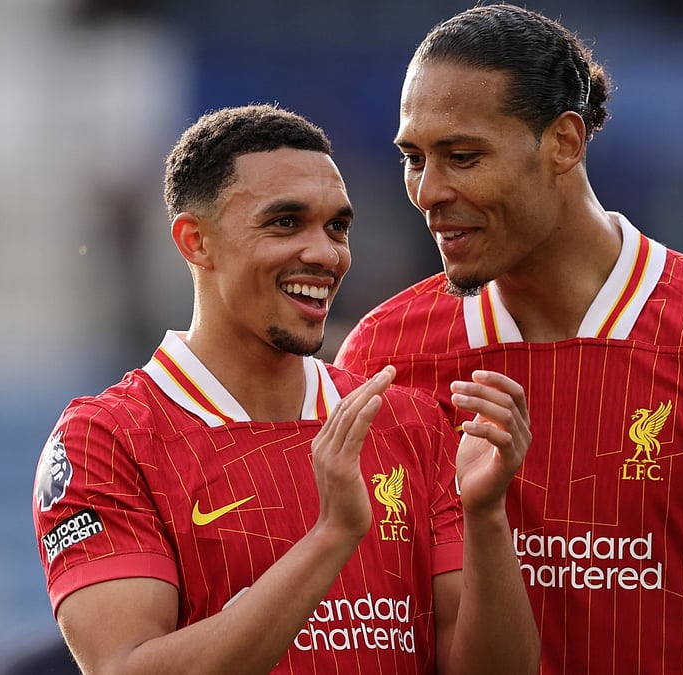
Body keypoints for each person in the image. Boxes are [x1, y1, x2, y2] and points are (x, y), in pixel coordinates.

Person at [334, 4, 683, 673]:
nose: (428, 191)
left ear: (564, 142)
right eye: (414, 158)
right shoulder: (382, 356)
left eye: (462, 157)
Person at [31, 104, 539, 675]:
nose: (325, 254)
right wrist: (331, 537)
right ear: (196, 241)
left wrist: (487, 516)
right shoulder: (105, 441)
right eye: (285, 223)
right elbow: (124, 668)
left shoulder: (409, 423)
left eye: (337, 227)